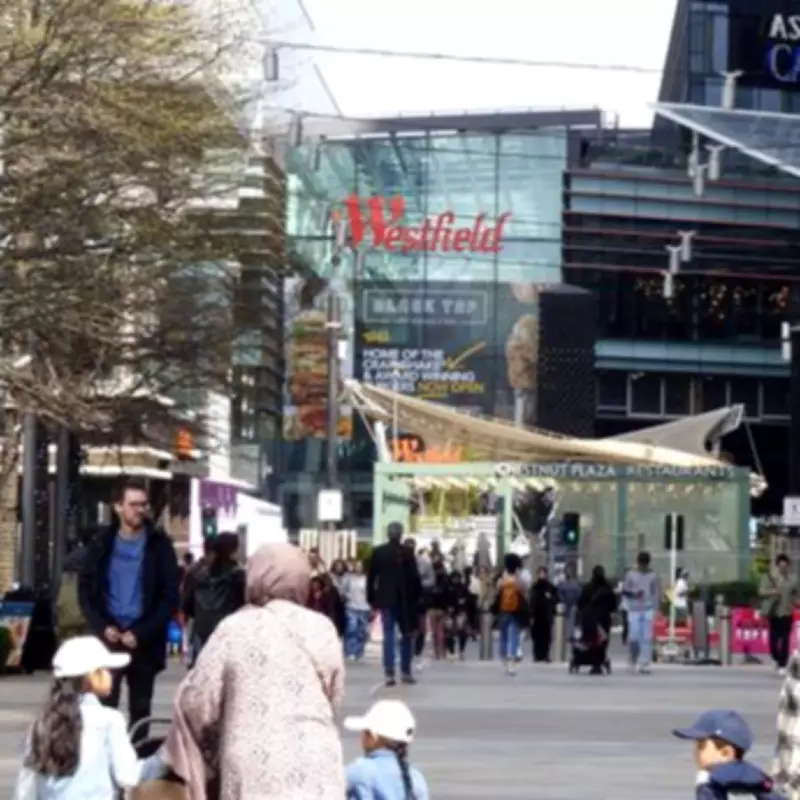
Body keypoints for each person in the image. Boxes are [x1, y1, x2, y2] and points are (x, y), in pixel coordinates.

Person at [158, 542, 345, 800]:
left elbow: (199, 701)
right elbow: (333, 698)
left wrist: (209, 744)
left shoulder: (234, 628)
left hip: (253, 764)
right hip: (318, 758)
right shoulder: (322, 628)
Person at [78, 478, 179, 743]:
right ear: (118, 507)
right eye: (133, 505)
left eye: (143, 505)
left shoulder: (159, 546)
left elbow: (169, 597)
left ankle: (135, 767)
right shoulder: (101, 544)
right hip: (109, 640)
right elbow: (86, 592)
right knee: (103, 708)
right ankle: (103, 765)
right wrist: (103, 627)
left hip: (143, 642)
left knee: (141, 711)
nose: (140, 510)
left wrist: (142, 632)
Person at [13, 636, 159, 800]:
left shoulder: (42, 722)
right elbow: (128, 777)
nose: (110, 675)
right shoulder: (109, 720)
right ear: (92, 676)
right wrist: (162, 761)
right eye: (106, 670)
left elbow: (26, 787)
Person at [673, 710, 782, 800]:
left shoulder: (710, 779)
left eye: (701, 746)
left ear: (726, 753)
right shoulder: (756, 777)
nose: (695, 752)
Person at [367, 523, 422, 687]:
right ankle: (405, 671)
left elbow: (371, 578)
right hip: (405, 600)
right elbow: (414, 578)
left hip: (385, 599)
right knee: (406, 635)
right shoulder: (407, 553)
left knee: (388, 635)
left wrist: (371, 600)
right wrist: (418, 598)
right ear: (401, 534)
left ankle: (389, 672)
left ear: (387, 534)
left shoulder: (379, 552)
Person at [344, 700, 429, 800]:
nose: (362, 738)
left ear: (374, 737)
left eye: (366, 732)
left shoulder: (358, 770)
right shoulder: (416, 777)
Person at [181, 533, 245, 664]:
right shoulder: (239, 576)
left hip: (202, 633)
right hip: (229, 635)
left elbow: (186, 605)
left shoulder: (196, 574)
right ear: (234, 550)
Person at [621, 550, 661, 674]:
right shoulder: (630, 575)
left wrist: (656, 609)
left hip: (648, 608)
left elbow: (656, 593)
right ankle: (633, 658)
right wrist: (633, 595)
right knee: (634, 636)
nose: (643, 566)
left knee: (646, 637)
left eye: (645, 564)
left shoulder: (653, 576)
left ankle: (644, 663)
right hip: (634, 609)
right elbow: (625, 591)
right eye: (641, 563)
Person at [759, 554, 798, 675]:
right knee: (774, 639)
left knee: (785, 638)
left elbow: (796, 594)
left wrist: (795, 603)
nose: (783, 568)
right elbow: (761, 591)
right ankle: (775, 657)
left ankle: (783, 663)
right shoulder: (770, 577)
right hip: (774, 612)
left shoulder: (793, 579)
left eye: (785, 566)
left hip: (787, 612)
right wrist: (772, 591)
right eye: (781, 565)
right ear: (777, 566)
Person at [576, 565, 618, 675]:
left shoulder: (587, 588)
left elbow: (580, 603)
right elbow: (613, 604)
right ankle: (599, 662)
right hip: (603, 619)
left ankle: (591, 660)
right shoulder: (607, 588)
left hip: (589, 618)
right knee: (602, 641)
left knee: (591, 640)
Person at [493, 553, 529, 676]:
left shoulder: (502, 577)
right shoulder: (519, 578)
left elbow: (497, 589)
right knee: (514, 635)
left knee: (504, 635)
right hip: (516, 609)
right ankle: (512, 660)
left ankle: (504, 658)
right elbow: (524, 590)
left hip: (503, 609)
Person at [342, 559, 371, 661]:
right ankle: (350, 651)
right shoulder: (349, 577)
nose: (358, 568)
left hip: (365, 607)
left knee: (362, 631)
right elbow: (343, 590)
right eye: (357, 566)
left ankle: (359, 651)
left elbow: (371, 592)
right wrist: (347, 596)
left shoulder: (367, 578)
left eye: (360, 566)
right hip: (351, 606)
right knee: (351, 628)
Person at [529, 566, 558, 662]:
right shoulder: (534, 587)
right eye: (540, 573)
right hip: (537, 615)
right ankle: (537, 655)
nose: (542, 575)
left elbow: (556, 599)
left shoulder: (551, 587)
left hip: (547, 615)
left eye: (543, 573)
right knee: (537, 636)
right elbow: (531, 600)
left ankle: (545, 655)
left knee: (546, 636)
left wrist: (551, 602)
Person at [426, 560, 452, 661]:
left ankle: (436, 652)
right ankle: (442, 652)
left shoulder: (431, 580)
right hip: (441, 609)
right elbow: (448, 595)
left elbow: (427, 594)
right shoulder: (446, 580)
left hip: (432, 608)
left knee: (434, 632)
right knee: (441, 631)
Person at [309, 573, 347, 638]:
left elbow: (337, 607)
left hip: (327, 617)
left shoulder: (332, 592)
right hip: (314, 618)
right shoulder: (311, 593)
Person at [558, 561, 582, 643]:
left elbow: (579, 593)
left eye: (571, 570)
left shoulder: (576, 583)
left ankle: (571, 635)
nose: (569, 572)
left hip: (573, 604)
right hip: (565, 604)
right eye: (568, 570)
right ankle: (568, 634)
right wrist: (562, 600)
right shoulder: (562, 583)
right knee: (566, 619)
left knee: (573, 617)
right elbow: (559, 593)